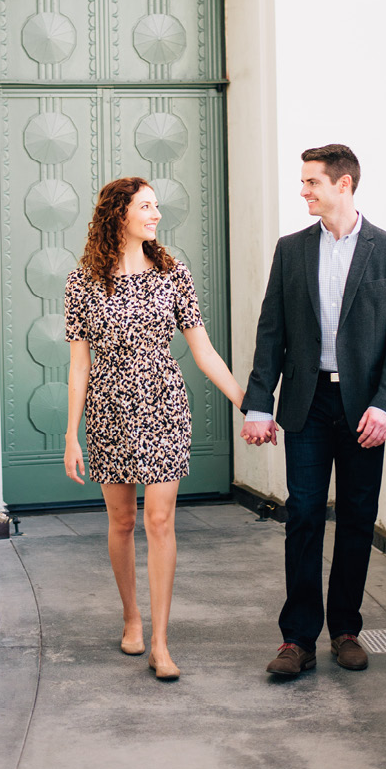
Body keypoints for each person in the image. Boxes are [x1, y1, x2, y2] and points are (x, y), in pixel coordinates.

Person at [241, 144, 386, 678]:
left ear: (343, 185)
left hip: (366, 407)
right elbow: (271, 328)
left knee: (358, 518)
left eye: (311, 182)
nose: (303, 191)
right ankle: (297, 639)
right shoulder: (292, 250)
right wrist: (258, 403)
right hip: (309, 401)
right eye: (303, 182)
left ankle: (345, 629)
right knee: (302, 514)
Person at [64, 176, 245, 681]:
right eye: (146, 206)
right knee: (121, 522)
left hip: (164, 405)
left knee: (160, 522)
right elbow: (79, 365)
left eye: (157, 206)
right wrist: (70, 435)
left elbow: (202, 348)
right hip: (108, 410)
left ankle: (161, 644)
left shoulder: (172, 273)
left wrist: (243, 399)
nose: (156, 214)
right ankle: (131, 616)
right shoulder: (84, 281)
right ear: (119, 213)